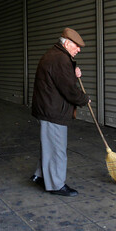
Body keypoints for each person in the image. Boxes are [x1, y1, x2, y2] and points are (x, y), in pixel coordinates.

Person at [31, 28, 90, 196]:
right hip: (53, 111)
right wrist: (84, 99)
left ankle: (40, 176)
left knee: (48, 145)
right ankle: (56, 185)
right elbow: (69, 89)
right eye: (77, 46)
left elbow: (58, 77)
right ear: (67, 43)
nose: (78, 50)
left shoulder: (54, 55)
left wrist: (73, 72)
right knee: (57, 149)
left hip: (47, 107)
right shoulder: (60, 59)